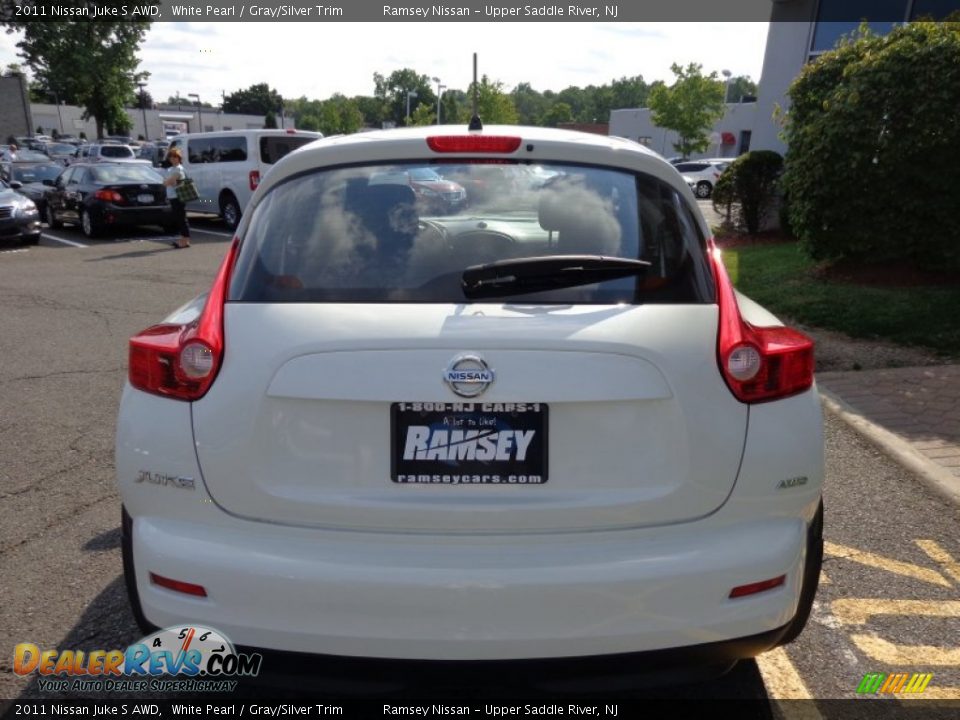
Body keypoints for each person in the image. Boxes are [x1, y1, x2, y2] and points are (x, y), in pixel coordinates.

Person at [163, 148, 190, 248]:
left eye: (175, 157)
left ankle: (185, 240)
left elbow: (168, 182)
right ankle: (184, 240)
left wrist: (168, 181)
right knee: (179, 218)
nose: (173, 159)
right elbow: (168, 182)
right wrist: (168, 181)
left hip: (178, 197)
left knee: (181, 218)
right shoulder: (172, 169)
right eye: (171, 157)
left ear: (179, 158)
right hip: (173, 197)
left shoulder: (178, 169)